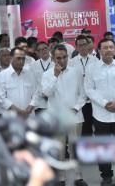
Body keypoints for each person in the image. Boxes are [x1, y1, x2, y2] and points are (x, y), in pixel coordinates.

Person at [84, 38, 115, 186]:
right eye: (105, 47)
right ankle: (106, 176)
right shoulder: (92, 68)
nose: (109, 50)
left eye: (111, 47)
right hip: (101, 114)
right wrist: (104, 103)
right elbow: (89, 89)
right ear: (99, 50)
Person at [41, 44, 87, 186]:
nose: (61, 60)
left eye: (64, 57)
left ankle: (78, 177)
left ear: (68, 57)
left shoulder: (76, 72)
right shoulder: (47, 74)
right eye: (58, 58)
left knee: (75, 149)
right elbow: (47, 93)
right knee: (58, 150)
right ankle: (60, 178)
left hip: (75, 116)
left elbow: (82, 95)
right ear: (53, 58)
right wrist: (55, 75)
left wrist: (74, 109)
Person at [0, 47, 38, 119]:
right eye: (18, 58)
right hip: (10, 118)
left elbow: (36, 93)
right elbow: (2, 98)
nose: (21, 61)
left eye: (23, 58)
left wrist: (30, 107)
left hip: (29, 115)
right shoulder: (2, 75)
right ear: (11, 58)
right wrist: (19, 112)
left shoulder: (30, 74)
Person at [69, 35, 98, 136]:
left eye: (84, 44)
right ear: (76, 47)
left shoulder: (96, 61)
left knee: (96, 126)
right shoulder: (72, 62)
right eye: (80, 45)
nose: (83, 47)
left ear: (88, 45)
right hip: (80, 100)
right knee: (85, 128)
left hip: (93, 99)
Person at [31, 42, 54, 115]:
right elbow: (34, 84)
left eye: (44, 48)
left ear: (48, 49)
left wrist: (50, 95)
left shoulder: (56, 62)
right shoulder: (34, 65)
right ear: (37, 52)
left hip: (55, 101)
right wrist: (43, 94)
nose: (43, 51)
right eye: (40, 50)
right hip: (40, 102)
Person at [0, 48, 11, 119]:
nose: (7, 57)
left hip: (15, 109)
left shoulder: (16, 70)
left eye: (8, 55)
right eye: (4, 55)